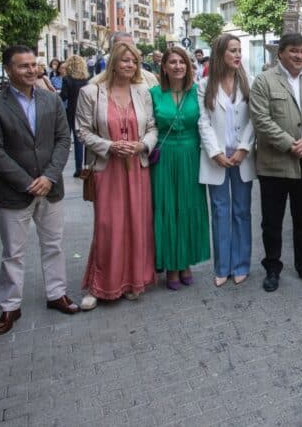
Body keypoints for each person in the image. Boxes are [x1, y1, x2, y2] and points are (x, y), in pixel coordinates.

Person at [0, 45, 79, 336]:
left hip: (51, 187)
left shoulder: (51, 100)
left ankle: (56, 293)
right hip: (14, 191)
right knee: (13, 252)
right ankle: (10, 306)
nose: (32, 70)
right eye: (24, 66)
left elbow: (63, 139)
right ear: (8, 69)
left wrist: (49, 176)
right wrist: (26, 181)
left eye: (34, 65)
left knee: (54, 244)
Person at [248, 33, 302, 292]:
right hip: (275, 165)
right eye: (294, 51)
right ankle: (272, 268)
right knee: (272, 222)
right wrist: (289, 143)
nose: (300, 56)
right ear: (281, 54)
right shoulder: (264, 81)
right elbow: (260, 119)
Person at [75, 41, 158, 309]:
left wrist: (142, 144)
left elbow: (153, 127)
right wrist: (110, 146)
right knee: (108, 226)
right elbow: (82, 131)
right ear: (113, 62)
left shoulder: (143, 92)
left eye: (133, 61)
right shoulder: (91, 92)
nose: (129, 65)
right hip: (106, 168)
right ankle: (100, 285)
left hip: (136, 167)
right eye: (124, 60)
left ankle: (134, 281)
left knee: (136, 223)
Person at [150, 47, 210, 290]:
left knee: (188, 207)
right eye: (172, 62)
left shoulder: (198, 92)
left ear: (188, 66)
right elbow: (148, 126)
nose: (177, 66)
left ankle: (186, 262)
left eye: (181, 62)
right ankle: (171, 266)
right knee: (166, 209)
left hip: (191, 155)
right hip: (164, 158)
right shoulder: (153, 93)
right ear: (164, 67)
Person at [198, 34, 255, 286]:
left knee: (242, 211)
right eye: (232, 50)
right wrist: (215, 153)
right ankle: (222, 267)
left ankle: (241, 264)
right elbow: (203, 122)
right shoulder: (204, 85)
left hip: (242, 157)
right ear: (221, 53)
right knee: (220, 212)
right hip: (217, 159)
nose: (237, 55)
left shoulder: (248, 82)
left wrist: (244, 148)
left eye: (239, 50)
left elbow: (255, 119)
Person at [91, 33, 159, 88]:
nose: (128, 50)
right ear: (111, 52)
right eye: (122, 47)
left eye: (131, 47)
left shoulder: (149, 78)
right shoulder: (95, 85)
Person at [60, 54, 90, 172]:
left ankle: (77, 168)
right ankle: (84, 166)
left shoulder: (67, 79)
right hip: (85, 111)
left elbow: (64, 96)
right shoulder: (87, 79)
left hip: (72, 111)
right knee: (83, 140)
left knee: (67, 139)